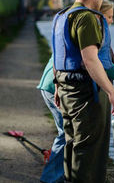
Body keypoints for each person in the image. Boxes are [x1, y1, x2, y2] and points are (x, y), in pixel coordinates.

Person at [52, 0, 114, 182]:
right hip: (85, 93)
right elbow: (90, 60)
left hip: (66, 90)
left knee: (71, 143)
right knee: (89, 150)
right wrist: (111, 92)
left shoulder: (61, 16)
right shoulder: (87, 18)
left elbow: (57, 57)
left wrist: (57, 86)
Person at [37, 55, 65, 183]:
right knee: (66, 133)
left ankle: (61, 172)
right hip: (52, 87)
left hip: (53, 83)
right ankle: (49, 179)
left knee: (66, 132)